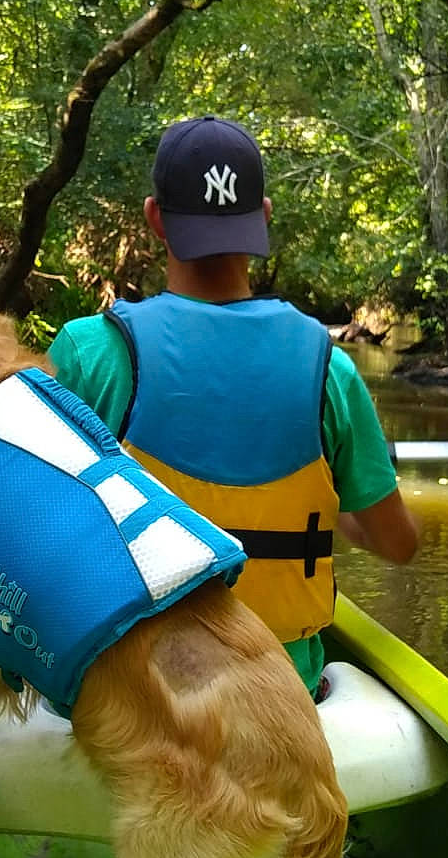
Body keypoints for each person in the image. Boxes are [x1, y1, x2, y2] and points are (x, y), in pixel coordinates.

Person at [48, 114, 418, 698]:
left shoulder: (87, 353)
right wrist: (334, 510)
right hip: (281, 697)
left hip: (133, 700)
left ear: (155, 219)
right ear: (263, 218)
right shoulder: (331, 370)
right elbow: (399, 545)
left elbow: (37, 535)